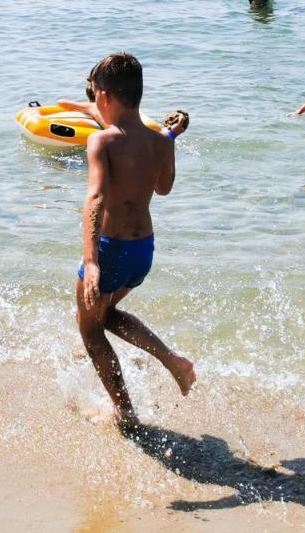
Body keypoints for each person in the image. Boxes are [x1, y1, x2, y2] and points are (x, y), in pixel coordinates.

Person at [75, 53, 194, 429]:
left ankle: (126, 413)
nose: (94, 102)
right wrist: (171, 138)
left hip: (111, 250)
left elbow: (94, 198)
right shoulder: (161, 142)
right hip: (143, 250)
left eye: (95, 96)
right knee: (106, 315)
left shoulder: (101, 143)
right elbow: (164, 188)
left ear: (105, 96)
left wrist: (91, 261)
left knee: (91, 330)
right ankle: (172, 361)